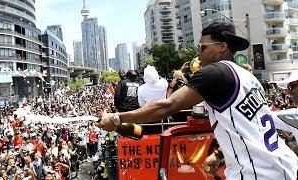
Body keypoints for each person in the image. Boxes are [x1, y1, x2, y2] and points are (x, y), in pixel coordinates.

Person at [97, 22, 298, 179]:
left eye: (202, 47)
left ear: (222, 47)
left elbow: (167, 106)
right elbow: (251, 128)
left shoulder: (216, 72)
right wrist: (219, 155)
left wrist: (116, 118)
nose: (198, 53)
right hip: (282, 165)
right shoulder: (248, 77)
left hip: (258, 173)